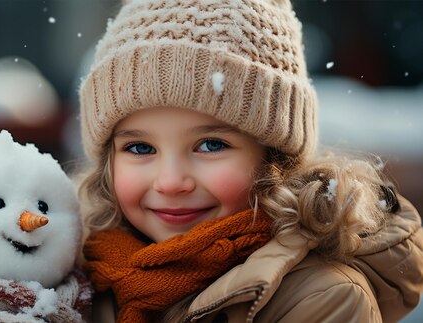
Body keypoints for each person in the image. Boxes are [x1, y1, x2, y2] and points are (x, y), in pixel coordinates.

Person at [76, 0, 423, 322]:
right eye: (140, 148)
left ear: (276, 158)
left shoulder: (325, 297)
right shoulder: (88, 273)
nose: (169, 181)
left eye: (211, 145)